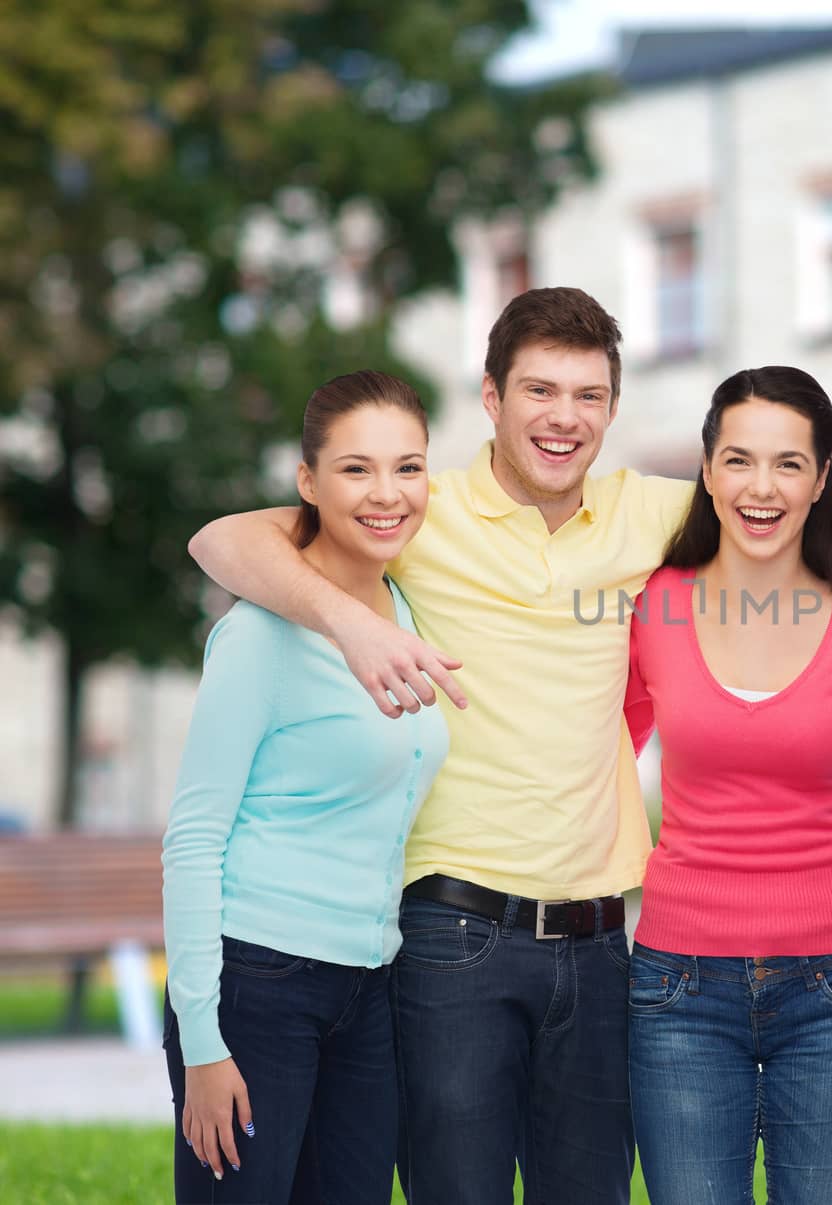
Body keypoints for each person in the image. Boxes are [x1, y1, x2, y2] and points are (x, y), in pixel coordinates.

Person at [186, 286, 832, 1203]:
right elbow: (222, 541)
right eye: (540, 391)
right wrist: (354, 625)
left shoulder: (649, 518)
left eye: (587, 396)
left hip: (598, 942)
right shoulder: (422, 510)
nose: (563, 417)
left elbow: (818, 475)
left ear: (613, 410)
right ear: (492, 400)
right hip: (451, 927)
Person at [161, 370, 448, 1204]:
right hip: (257, 986)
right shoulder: (256, 635)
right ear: (307, 483)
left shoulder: (409, 607)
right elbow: (193, 838)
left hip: (368, 986)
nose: (387, 493)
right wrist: (205, 1042)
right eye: (356, 469)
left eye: (409, 467)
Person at [623, 367, 832, 1204]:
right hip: (677, 986)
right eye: (738, 460)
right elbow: (591, 753)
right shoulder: (653, 605)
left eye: (789, 464)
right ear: (707, 473)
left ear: (823, 481)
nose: (761, 486)